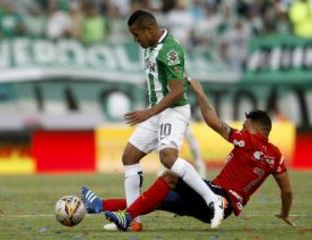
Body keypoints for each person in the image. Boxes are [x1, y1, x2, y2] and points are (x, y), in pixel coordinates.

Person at [82, 79, 294, 231]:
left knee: (170, 176)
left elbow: (213, 122)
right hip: (220, 204)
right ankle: (101, 205)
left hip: (220, 198)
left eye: (246, 125)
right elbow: (287, 191)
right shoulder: (276, 155)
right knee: (159, 198)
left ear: (257, 130)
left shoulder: (248, 140)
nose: (242, 127)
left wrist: (200, 93)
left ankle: (127, 218)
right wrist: (284, 213)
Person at [81, 10, 224, 231]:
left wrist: (149, 112)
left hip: (173, 110)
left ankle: (213, 200)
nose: (135, 39)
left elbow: (177, 92)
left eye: (136, 34)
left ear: (149, 29)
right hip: (156, 110)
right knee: (129, 156)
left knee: (168, 158)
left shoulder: (170, 51)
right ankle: (133, 221)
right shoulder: (149, 46)